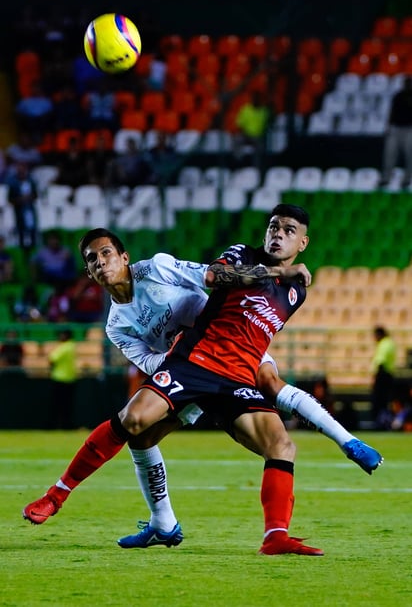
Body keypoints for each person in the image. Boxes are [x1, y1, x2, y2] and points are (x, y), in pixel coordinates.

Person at [23, 211, 383, 556]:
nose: (101, 262)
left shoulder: (156, 268)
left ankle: (310, 490)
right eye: (92, 259)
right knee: (138, 428)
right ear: (88, 271)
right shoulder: (116, 325)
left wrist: (277, 272)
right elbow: (149, 361)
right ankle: (147, 520)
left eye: (106, 253)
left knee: (274, 405)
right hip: (189, 364)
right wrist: (175, 365)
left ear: (124, 256)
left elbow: (210, 277)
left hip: (230, 344)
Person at [379, 76, 412, 189]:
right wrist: (388, 127)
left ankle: (407, 179)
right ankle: (386, 178)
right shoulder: (398, 96)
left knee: (410, 155)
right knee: (389, 154)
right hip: (396, 128)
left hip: (409, 129)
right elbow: (391, 112)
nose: (408, 85)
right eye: (406, 83)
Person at [48, 329, 77, 430]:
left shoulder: (65, 347)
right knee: (67, 405)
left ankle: (57, 425)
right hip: (70, 378)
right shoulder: (72, 346)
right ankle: (66, 425)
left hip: (60, 378)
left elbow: (52, 359)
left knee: (57, 405)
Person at [6, 160, 38, 252]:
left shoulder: (31, 181)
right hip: (19, 210)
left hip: (30, 210)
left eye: (23, 168)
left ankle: (32, 248)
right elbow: (10, 199)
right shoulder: (13, 183)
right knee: (21, 230)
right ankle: (22, 248)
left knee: (32, 229)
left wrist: (29, 197)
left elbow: (36, 195)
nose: (21, 170)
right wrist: (20, 199)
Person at [370, 325, 397, 429]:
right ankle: (384, 422)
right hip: (388, 374)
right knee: (385, 401)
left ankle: (379, 423)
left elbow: (381, 361)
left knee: (378, 401)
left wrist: (376, 377)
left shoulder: (384, 344)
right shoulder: (390, 343)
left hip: (383, 375)